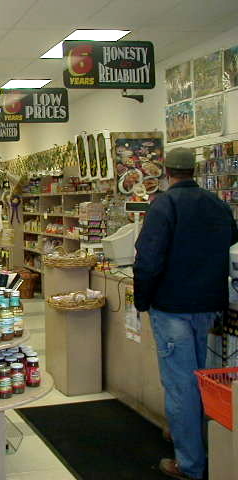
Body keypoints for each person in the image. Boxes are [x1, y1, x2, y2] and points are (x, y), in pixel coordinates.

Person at [134, 147, 238, 480]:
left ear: (166, 171)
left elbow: (148, 261)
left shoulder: (164, 205)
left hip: (172, 306)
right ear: (194, 170)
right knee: (202, 378)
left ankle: (190, 464)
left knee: (180, 384)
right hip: (208, 306)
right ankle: (188, 434)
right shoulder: (218, 205)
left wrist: (141, 302)